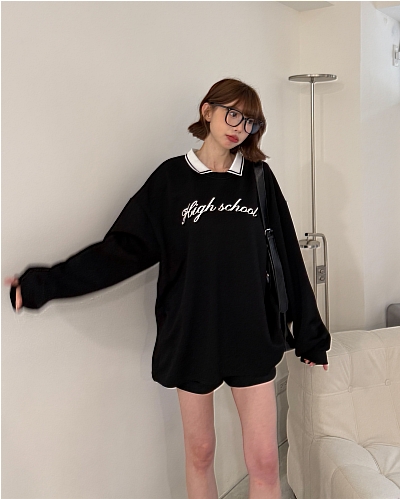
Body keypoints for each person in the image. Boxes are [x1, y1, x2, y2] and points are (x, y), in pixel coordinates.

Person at [5, 77, 330, 499]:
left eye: (250, 121)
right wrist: (43, 285)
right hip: (191, 333)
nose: (240, 127)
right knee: (201, 453)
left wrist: (310, 334)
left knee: (265, 461)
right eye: (232, 114)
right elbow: (120, 251)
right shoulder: (170, 180)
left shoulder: (258, 179)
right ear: (207, 111)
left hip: (250, 331)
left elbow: (285, 253)